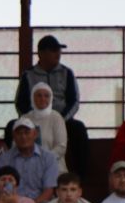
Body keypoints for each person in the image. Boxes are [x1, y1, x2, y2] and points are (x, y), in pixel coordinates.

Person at [14, 34, 87, 173]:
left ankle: (80, 176)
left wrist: (60, 120)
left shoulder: (67, 73)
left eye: (58, 50)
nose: (58, 54)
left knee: (79, 129)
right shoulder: (28, 75)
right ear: (41, 53)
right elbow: (20, 103)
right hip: (34, 120)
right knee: (12, 127)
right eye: (53, 50)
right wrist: (30, 121)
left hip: (62, 119)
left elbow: (74, 101)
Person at [0, 118, 58, 203]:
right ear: (13, 136)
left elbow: (48, 190)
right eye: (19, 133)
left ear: (35, 134)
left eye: (27, 132)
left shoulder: (49, 157)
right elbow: (4, 187)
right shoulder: (5, 159)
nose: (23, 137)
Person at [21, 82, 69, 168]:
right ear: (32, 97)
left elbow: (61, 147)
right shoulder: (25, 118)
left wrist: (43, 160)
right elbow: (17, 144)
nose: (42, 99)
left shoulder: (56, 117)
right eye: (39, 95)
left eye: (46, 96)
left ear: (51, 98)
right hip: (28, 166)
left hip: (54, 166)